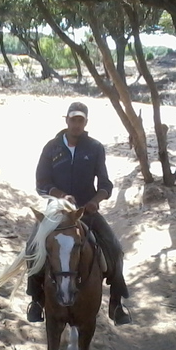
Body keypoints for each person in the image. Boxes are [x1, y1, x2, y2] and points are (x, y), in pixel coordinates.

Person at [26, 101, 131, 326]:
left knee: (114, 248)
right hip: (57, 212)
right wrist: (61, 196)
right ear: (66, 120)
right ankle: (36, 300)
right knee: (31, 248)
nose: (76, 124)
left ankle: (116, 302)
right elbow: (42, 183)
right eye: (73, 119)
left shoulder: (95, 148)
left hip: (86, 211)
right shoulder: (51, 147)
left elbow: (105, 184)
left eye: (80, 120)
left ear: (85, 122)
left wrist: (94, 201)